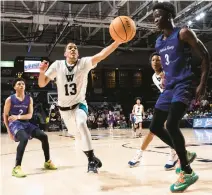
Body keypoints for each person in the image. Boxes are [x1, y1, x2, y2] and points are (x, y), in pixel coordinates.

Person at [38, 40, 125, 173]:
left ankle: (90, 162)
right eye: (70, 48)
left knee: (82, 123)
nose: (73, 49)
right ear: (65, 53)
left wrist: (117, 42)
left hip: (79, 105)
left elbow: (102, 55)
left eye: (75, 48)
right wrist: (42, 71)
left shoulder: (84, 63)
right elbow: (42, 84)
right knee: (78, 138)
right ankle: (93, 157)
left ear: (77, 53)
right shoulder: (58, 65)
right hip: (64, 110)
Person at [150, 2, 210, 192]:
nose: (155, 20)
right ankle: (184, 152)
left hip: (185, 84)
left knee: (171, 124)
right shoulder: (158, 42)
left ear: (169, 16)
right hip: (169, 87)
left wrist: (202, 83)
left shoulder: (183, 33)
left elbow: (205, 55)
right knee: (155, 126)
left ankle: (187, 171)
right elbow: (167, 65)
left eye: (158, 16)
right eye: (153, 17)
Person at [128, 52, 178, 170]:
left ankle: (174, 154)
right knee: (152, 130)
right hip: (164, 102)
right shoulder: (153, 77)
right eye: (153, 60)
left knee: (167, 127)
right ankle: (139, 154)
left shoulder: (168, 72)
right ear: (150, 63)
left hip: (174, 101)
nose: (156, 62)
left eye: (158, 60)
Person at [3, 78, 57, 178]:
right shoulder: (10, 99)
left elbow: (30, 115)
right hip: (15, 124)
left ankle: (47, 162)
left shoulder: (29, 99)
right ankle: (16, 167)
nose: (21, 85)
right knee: (24, 139)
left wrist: (18, 117)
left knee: (44, 136)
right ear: (15, 87)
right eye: (18, 84)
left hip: (26, 123)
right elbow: (5, 116)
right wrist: (9, 131)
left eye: (23, 83)